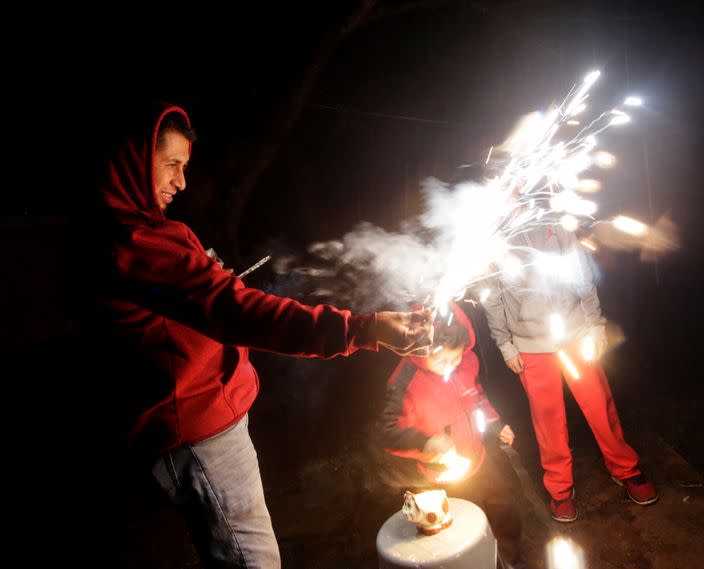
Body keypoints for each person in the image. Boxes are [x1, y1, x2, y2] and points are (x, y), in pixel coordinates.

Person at [72, 101, 434, 568]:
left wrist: (204, 282)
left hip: (207, 425)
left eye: (185, 167)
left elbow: (192, 306)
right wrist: (360, 330)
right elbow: (236, 311)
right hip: (199, 438)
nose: (180, 182)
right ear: (134, 163)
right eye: (171, 166)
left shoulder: (142, 236)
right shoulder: (134, 245)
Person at [482, 222, 658, 523]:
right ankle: (560, 489)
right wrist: (505, 344)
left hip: (575, 333)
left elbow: (582, 275)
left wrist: (594, 324)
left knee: (599, 404)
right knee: (547, 419)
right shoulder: (492, 235)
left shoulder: (555, 223)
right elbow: (489, 294)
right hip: (530, 343)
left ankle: (625, 468)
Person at [374, 301, 522, 566]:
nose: (450, 366)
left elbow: (475, 398)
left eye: (456, 357)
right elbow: (386, 432)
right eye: (441, 359)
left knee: (505, 510)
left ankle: (505, 560)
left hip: (480, 459)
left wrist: (495, 425)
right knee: (459, 532)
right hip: (440, 479)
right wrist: (426, 442)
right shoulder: (404, 383)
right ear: (422, 348)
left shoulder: (466, 361)